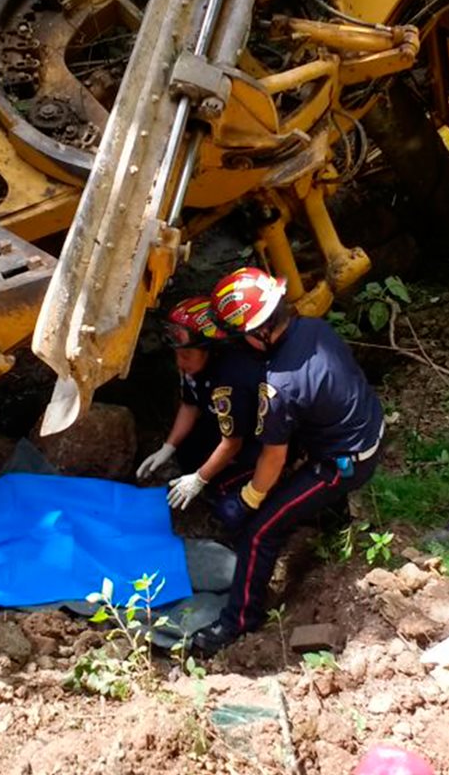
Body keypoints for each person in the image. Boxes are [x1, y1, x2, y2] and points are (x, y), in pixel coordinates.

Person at [191, 266, 385, 654]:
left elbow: (273, 459)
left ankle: (237, 621)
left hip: (342, 464)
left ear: (259, 333)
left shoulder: (280, 386)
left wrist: (249, 498)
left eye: (241, 337)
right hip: (367, 426)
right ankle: (328, 517)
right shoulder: (313, 328)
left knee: (260, 533)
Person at [136, 296, 265, 521]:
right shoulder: (195, 369)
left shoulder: (230, 380)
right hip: (221, 426)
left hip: (257, 443)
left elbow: (232, 443)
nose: (180, 363)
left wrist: (200, 478)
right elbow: (190, 404)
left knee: (226, 503)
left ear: (209, 349)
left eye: (186, 355)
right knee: (187, 451)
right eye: (177, 355)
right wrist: (168, 447)